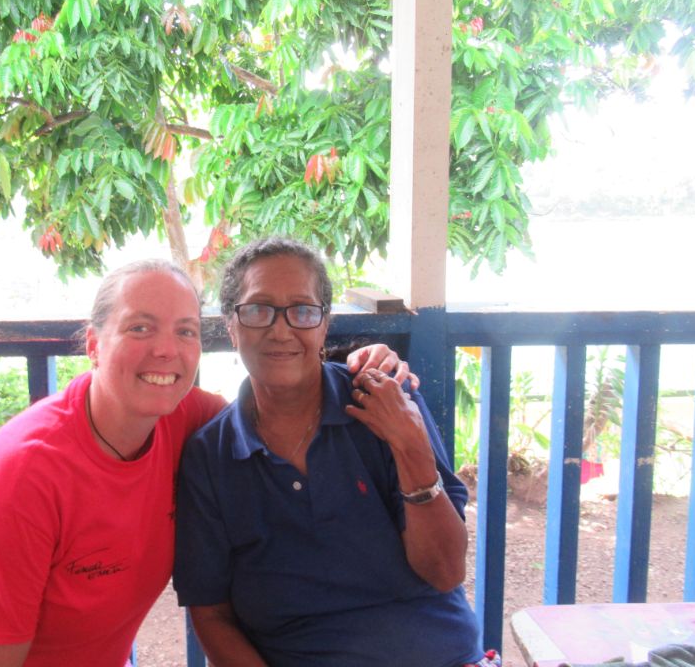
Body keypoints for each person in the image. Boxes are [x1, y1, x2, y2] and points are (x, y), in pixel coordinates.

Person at [0, 258, 412, 667]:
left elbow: (280, 411)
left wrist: (352, 363)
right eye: (140, 327)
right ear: (94, 343)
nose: (165, 350)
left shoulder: (183, 419)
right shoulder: (20, 481)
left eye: (185, 331)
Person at [173, 238, 484, 667]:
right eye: (259, 309)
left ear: (323, 324)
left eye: (302, 310)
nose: (281, 330)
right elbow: (211, 614)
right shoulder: (211, 456)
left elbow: (446, 571)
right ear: (232, 325)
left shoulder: (387, 401)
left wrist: (411, 446)